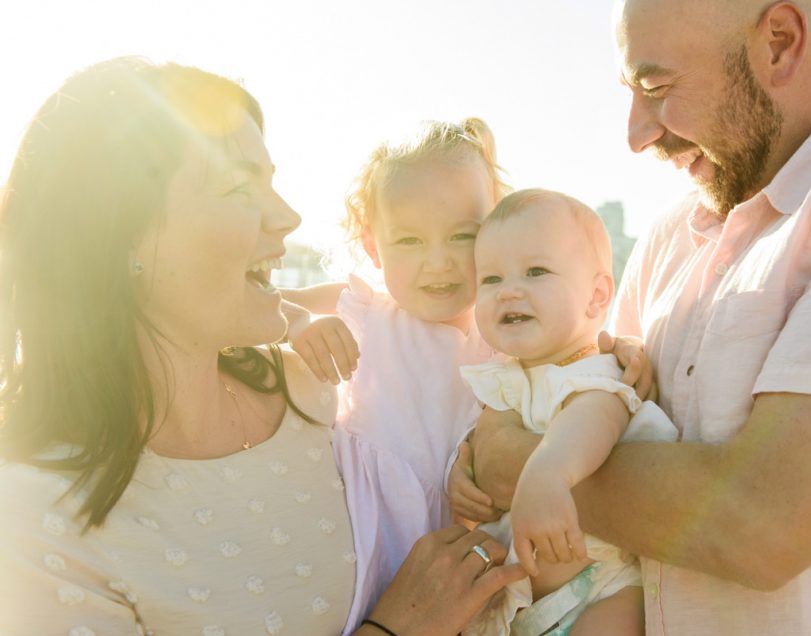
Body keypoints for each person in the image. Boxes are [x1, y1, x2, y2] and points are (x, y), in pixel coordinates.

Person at [462, 0, 811, 634]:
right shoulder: (671, 236)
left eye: (656, 87)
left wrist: (521, 465)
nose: (636, 134)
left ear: (779, 41)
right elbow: (587, 403)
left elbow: (768, 521)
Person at [0, 57, 523, 635]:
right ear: (121, 235)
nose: (289, 217)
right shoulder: (34, 523)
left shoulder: (323, 391)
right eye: (238, 188)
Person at [279, 117, 510, 629]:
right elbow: (260, 305)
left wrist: (619, 352)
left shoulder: (505, 332)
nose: (438, 263)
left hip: (455, 551)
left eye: (461, 237)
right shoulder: (365, 308)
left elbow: (573, 343)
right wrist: (298, 326)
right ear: (371, 244)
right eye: (409, 241)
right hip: (360, 535)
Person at [455, 189, 677, 636]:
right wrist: (459, 475)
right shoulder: (505, 380)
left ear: (596, 298)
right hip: (515, 602)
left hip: (601, 586)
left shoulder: (598, 370)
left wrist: (549, 472)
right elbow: (478, 444)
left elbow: (594, 418)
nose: (509, 291)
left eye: (536, 271)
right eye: (491, 279)